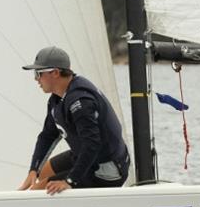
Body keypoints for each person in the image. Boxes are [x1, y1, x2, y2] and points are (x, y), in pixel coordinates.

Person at [18, 46, 130, 194]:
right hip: (86, 155)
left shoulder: (81, 101)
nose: (36, 79)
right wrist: (34, 170)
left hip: (108, 169)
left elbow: (92, 144)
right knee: (42, 173)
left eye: (39, 73)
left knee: (39, 190)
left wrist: (70, 181)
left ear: (56, 73)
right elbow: (47, 136)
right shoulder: (57, 98)